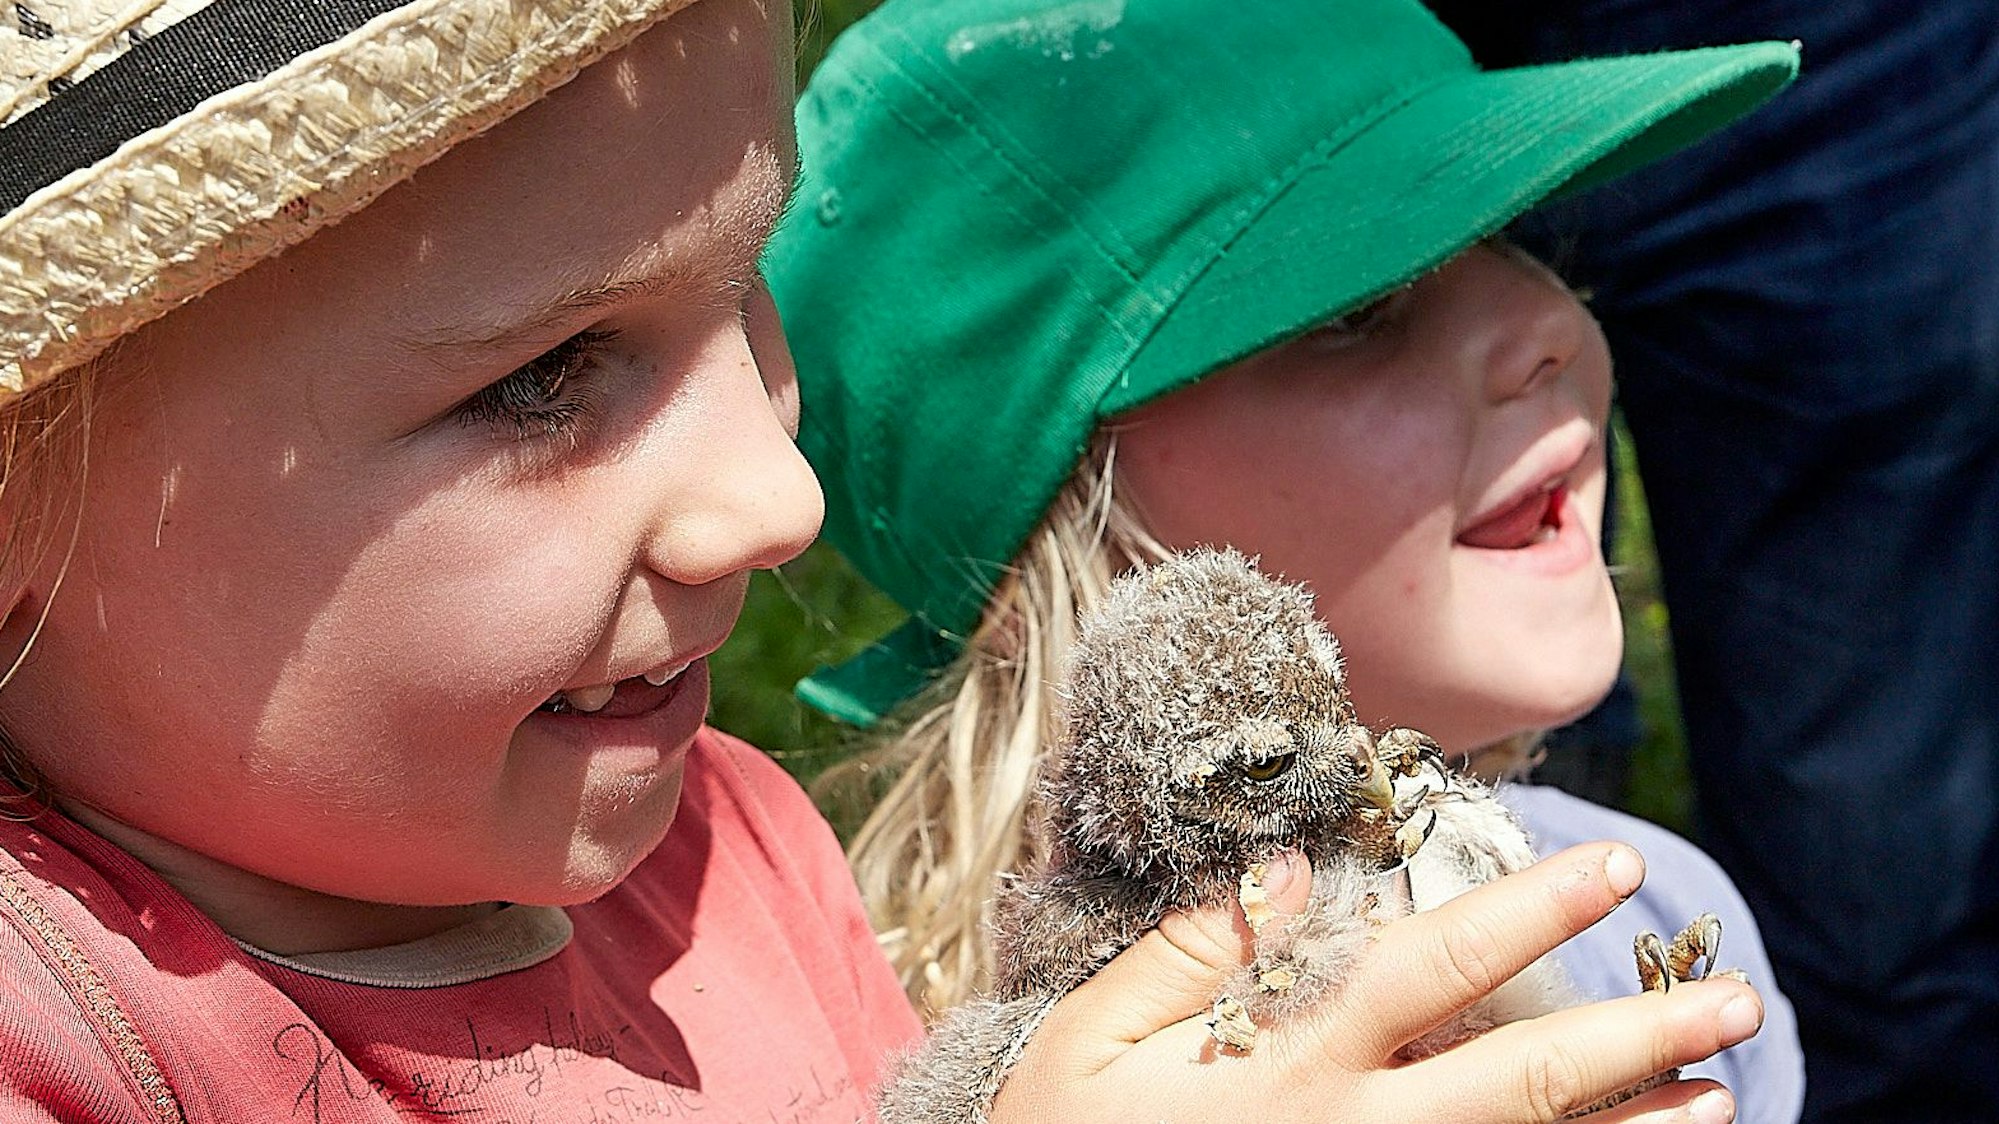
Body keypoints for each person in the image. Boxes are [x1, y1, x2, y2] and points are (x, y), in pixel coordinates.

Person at [0, 0, 1769, 1118]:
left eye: (743, 288)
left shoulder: (731, 856)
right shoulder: (64, 1036)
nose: (776, 496)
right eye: (542, 377)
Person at [767, 0, 1807, 1120]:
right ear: (1066, 540)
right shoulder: (887, 1059)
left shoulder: (1648, 915)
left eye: (1510, 234)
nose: (1544, 318)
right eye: (1361, 309)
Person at [1419, 6, 1999, 1119]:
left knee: (1880, 888)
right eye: (1364, 317)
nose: (1551, 311)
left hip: (1822, 45)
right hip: (1358, 50)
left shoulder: (1675, 900)